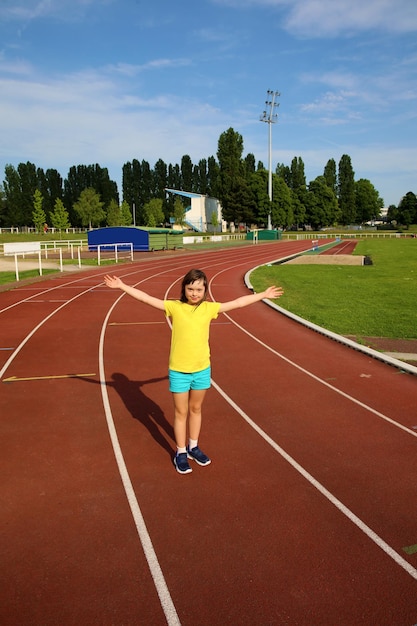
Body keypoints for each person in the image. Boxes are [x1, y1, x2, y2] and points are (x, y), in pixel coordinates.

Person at [104, 269, 283, 475]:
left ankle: (193, 446)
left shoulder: (209, 308)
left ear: (205, 290)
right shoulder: (174, 306)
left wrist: (263, 295)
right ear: (184, 289)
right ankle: (180, 452)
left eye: (199, 289)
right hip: (179, 371)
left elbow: (237, 303)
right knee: (181, 413)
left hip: (202, 369)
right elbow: (146, 298)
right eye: (190, 289)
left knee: (196, 410)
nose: (194, 293)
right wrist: (122, 286)